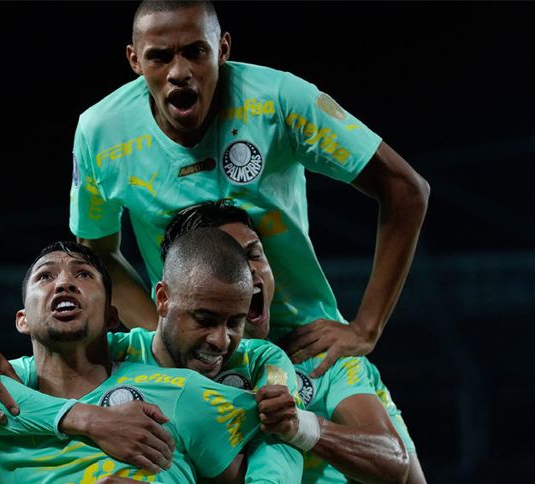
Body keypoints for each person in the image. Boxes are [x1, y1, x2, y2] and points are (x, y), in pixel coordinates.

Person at [0, 177, 296, 483]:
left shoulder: (179, 391)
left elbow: (280, 438)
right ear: (21, 318)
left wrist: (283, 390)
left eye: (83, 275)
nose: (63, 282)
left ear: (112, 317)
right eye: (44, 276)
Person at [70, 0, 429, 376]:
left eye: (195, 52)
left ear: (222, 48)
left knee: (370, 420)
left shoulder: (280, 100)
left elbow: (405, 189)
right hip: (198, 364)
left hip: (304, 348)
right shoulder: (100, 133)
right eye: (159, 57)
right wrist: (166, 339)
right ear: (134, 60)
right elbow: (97, 251)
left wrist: (367, 327)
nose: (179, 72)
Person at [0, 202, 414, 483]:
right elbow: (33, 368)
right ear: (174, 289)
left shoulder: (324, 359)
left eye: (253, 255)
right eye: (221, 261)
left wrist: (299, 426)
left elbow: (397, 467)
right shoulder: (122, 353)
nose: (244, 272)